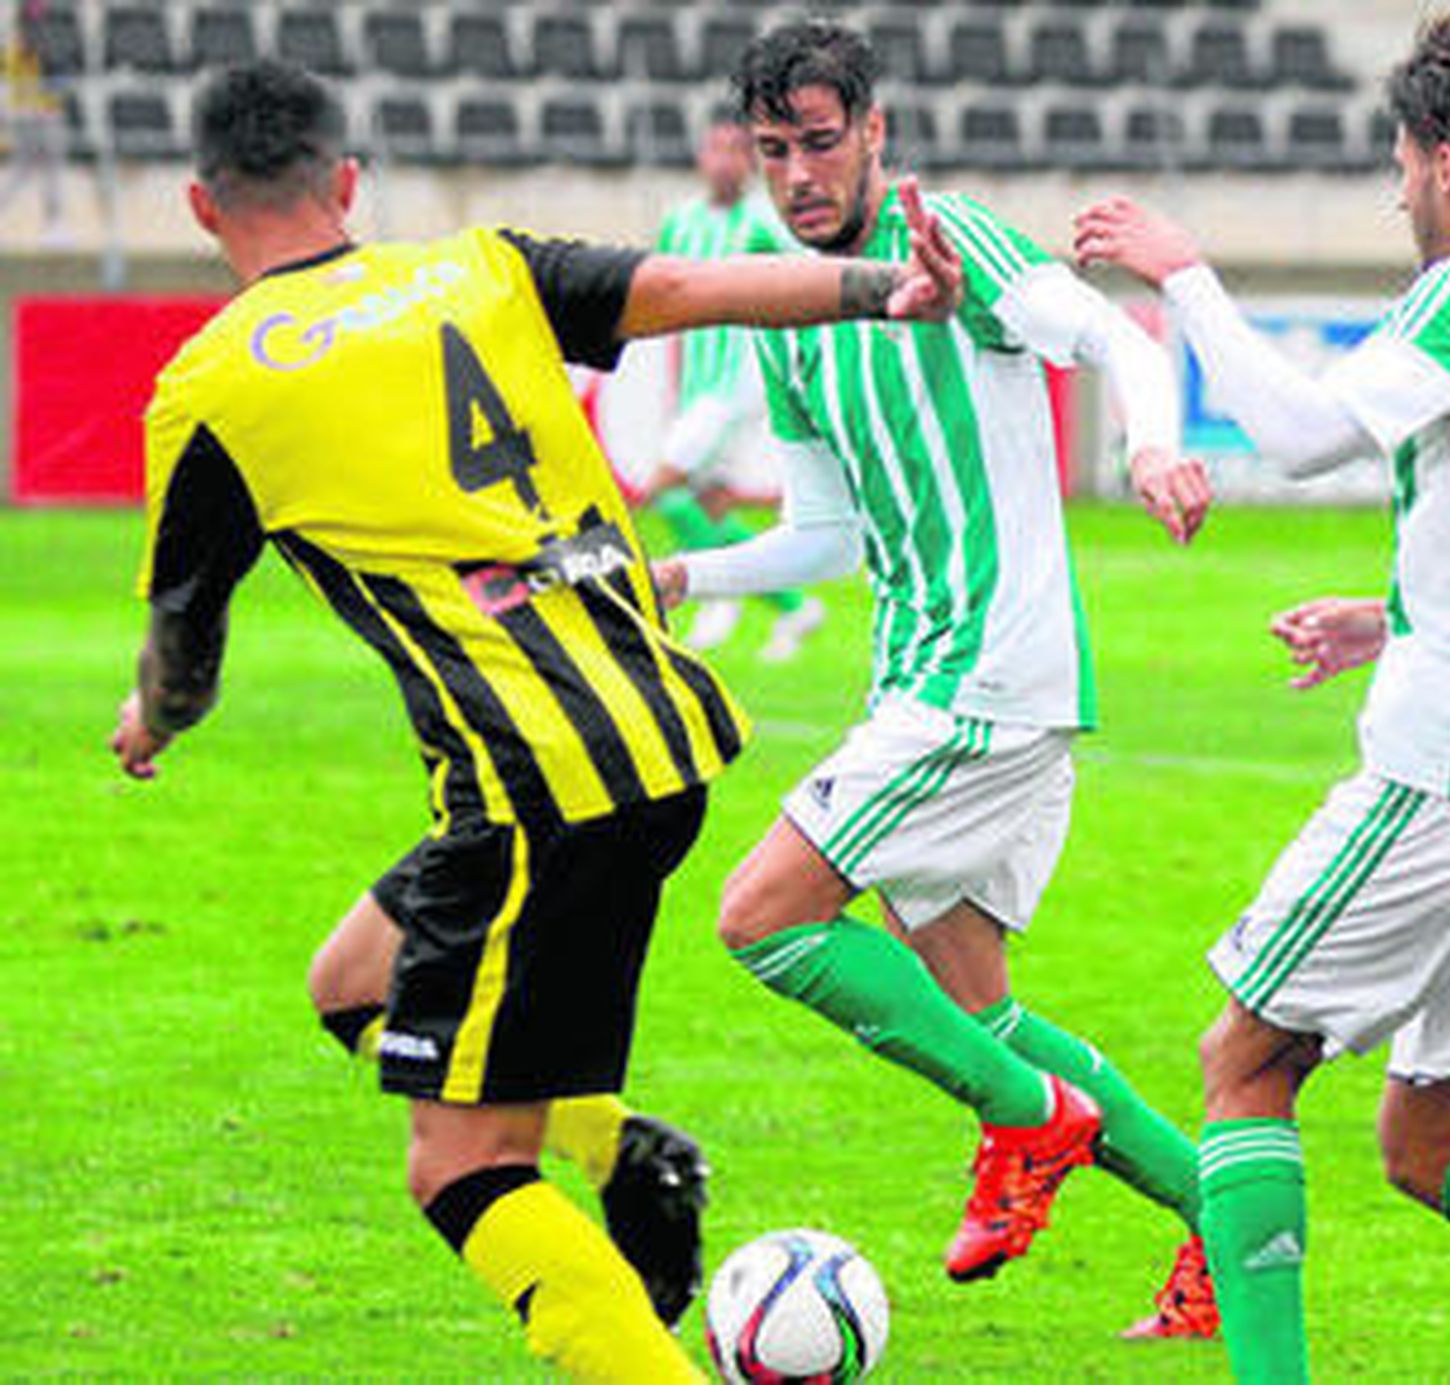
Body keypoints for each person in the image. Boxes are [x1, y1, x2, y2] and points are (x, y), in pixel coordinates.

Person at [107, 59, 961, 1381]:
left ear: (200, 207)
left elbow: (186, 643)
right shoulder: (481, 267)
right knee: (354, 982)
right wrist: (883, 289)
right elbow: (689, 292)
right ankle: (633, 1154)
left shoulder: (214, 385)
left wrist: (153, 720)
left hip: (534, 790)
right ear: (346, 183)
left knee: (460, 1165)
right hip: (653, 737)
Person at [652, 19, 1220, 1339]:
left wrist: (1149, 449)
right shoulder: (786, 311)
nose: (799, 172)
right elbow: (829, 536)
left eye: (822, 141)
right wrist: (686, 579)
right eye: (776, 148)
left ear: (876, 133)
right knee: (980, 1008)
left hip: (986, 674)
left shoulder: (951, 237)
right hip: (929, 674)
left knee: (762, 917)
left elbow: (1125, 342)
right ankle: (1220, 1223)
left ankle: (1026, 1122)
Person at [1076, 14, 1450, 1381]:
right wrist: (1395, 619)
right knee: (1428, 1136)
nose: (1396, 187)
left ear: (1438, 162)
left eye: (1398, 160)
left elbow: (1304, 435)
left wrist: (1186, 279)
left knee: (1243, 1060)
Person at [641, 112, 825, 662]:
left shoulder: (764, 223)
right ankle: (793, 607)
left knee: (663, 489)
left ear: (750, 161)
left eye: (735, 151)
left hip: (735, 385)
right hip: (699, 383)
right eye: (715, 150)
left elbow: (807, 283)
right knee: (708, 505)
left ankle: (716, 591)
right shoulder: (680, 223)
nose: (724, 162)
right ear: (701, 159)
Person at [0, 0, 67, 244]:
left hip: (38, 111)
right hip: (35, 114)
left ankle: (55, 224)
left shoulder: (29, 39)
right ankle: (54, 224)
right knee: (40, 170)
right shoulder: (27, 41)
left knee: (28, 170)